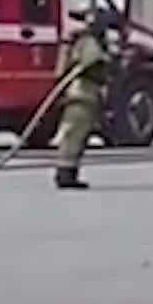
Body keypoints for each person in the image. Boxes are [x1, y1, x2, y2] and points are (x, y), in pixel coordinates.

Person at [52, 12, 113, 191]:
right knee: (74, 134)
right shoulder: (89, 42)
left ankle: (70, 172)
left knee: (80, 135)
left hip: (87, 94)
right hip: (81, 94)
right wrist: (105, 58)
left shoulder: (89, 41)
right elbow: (89, 61)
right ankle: (65, 173)